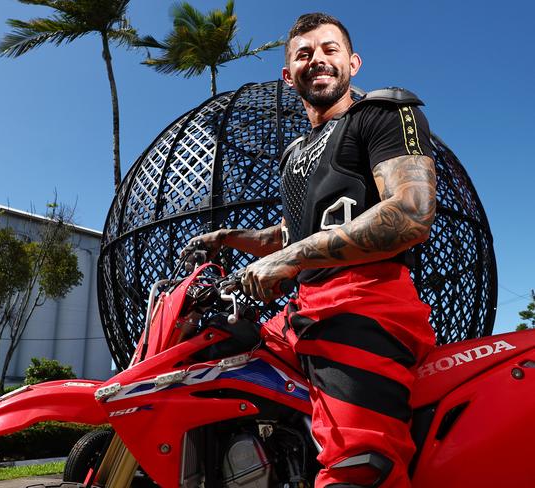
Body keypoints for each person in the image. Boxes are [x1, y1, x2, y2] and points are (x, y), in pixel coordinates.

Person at [183, 12, 437, 488]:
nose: (317, 60)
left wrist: (289, 259)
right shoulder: (294, 154)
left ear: (353, 62)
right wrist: (225, 239)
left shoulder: (382, 114)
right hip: (300, 313)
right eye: (304, 54)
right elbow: (289, 236)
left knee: (358, 466)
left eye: (329, 50)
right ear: (288, 74)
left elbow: (411, 212)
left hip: (365, 306)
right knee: (213, 363)